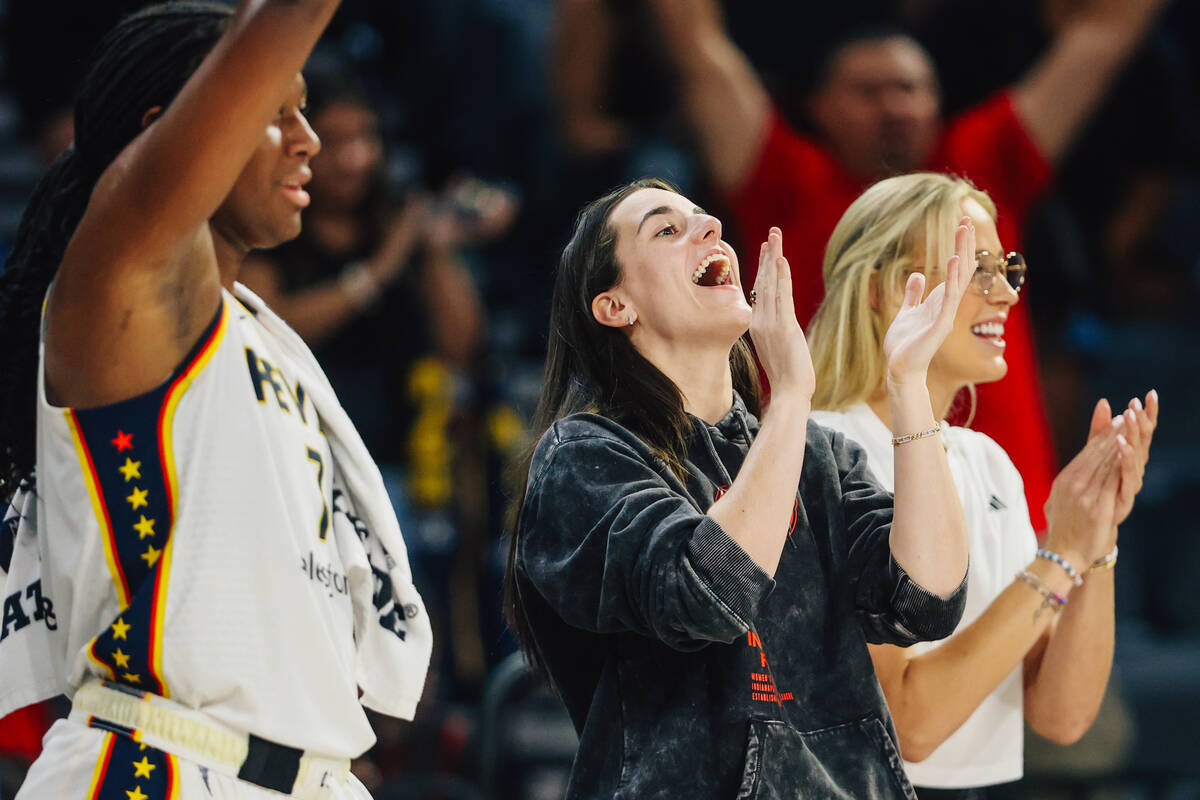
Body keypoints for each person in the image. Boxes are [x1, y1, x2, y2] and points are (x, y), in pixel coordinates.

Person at [0, 2, 431, 798]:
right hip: (157, 765)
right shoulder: (119, 287)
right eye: (277, 112)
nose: (310, 139)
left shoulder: (264, 334)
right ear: (175, 133)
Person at [504, 177, 974, 798]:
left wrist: (909, 386)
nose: (710, 229)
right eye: (666, 230)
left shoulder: (818, 456)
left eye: (704, 219)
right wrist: (792, 398)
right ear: (616, 306)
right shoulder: (584, 455)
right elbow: (712, 594)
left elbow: (926, 601)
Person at [649, 0, 1171, 532]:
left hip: (1008, 505)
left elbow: (1100, 41)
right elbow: (698, 51)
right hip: (827, 508)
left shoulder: (980, 168)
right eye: (868, 92)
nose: (895, 107)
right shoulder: (785, 180)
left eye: (910, 89)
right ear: (819, 106)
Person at [807, 172, 1157, 797]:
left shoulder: (988, 461)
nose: (1004, 294)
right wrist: (1058, 561)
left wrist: (1094, 541)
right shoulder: (823, 450)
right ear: (879, 290)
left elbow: (1060, 716)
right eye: (973, 268)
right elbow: (907, 724)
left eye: (1008, 267)